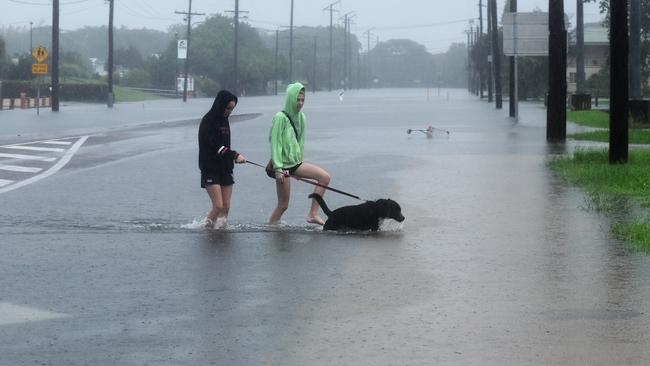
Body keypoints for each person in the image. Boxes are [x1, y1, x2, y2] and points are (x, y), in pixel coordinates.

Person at [268, 82, 331, 225]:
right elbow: (275, 143)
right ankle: (271, 228)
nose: (300, 103)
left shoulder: (302, 117)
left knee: (324, 178)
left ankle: (313, 214)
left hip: (296, 164)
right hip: (282, 166)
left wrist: (299, 164)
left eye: (302, 100)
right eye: (297, 99)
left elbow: (300, 142)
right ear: (291, 98)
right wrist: (278, 169)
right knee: (283, 205)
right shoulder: (280, 117)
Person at [198, 90, 246, 229]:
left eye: (232, 109)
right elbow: (216, 146)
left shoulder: (224, 120)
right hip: (210, 168)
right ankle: (203, 229)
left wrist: (231, 158)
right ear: (220, 104)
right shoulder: (208, 121)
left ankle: (220, 231)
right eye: (228, 108)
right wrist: (235, 155)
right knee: (218, 205)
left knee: (226, 206)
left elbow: (225, 145)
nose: (229, 111)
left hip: (225, 167)